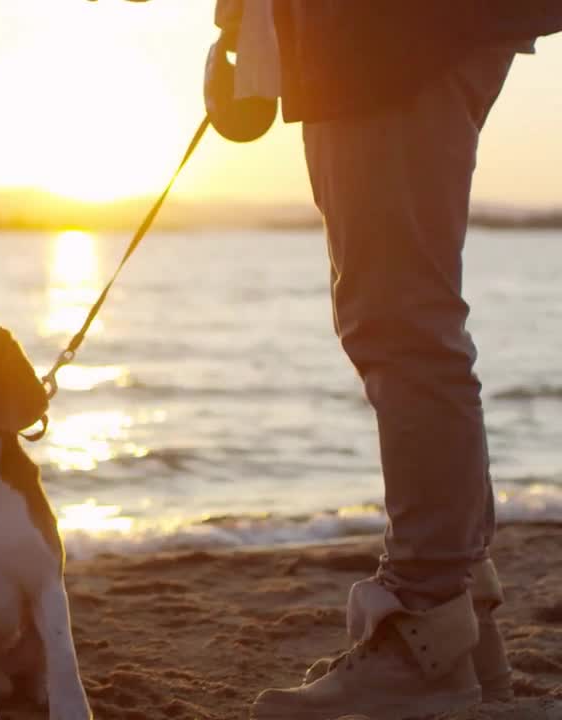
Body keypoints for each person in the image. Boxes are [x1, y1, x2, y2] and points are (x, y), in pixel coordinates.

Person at [203, 3, 562, 719]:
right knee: (406, 324)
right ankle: (464, 638)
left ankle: (427, 634)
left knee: (399, 327)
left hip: (384, 36)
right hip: (395, 36)